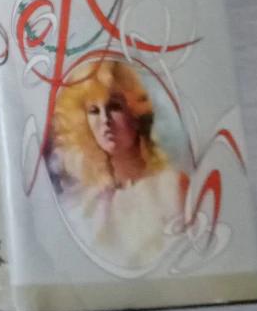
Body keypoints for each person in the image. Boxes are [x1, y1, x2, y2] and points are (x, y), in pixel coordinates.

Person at [50, 56, 186, 270]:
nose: (105, 120)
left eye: (114, 107)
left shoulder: (172, 187)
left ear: (136, 113)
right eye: (93, 111)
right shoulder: (89, 204)